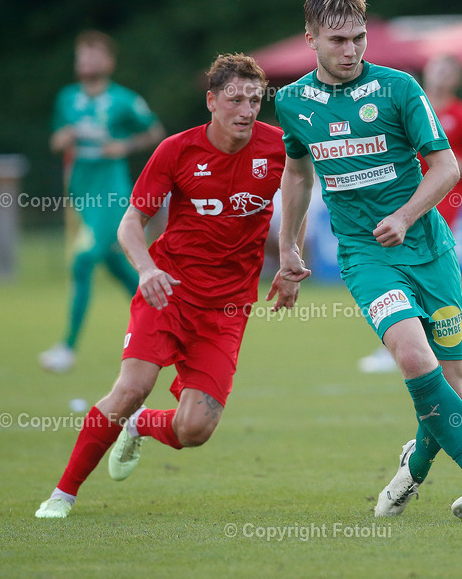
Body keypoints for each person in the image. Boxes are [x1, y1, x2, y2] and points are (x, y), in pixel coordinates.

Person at [274, 0, 462, 520]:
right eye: (338, 40)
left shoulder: (399, 88)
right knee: (411, 355)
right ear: (311, 39)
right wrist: (288, 248)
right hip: (366, 255)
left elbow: (447, 167)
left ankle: (414, 467)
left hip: (429, 248)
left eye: (359, 38)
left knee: (451, 385)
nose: (351, 50)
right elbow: (297, 174)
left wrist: (405, 216)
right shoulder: (291, 102)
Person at [35, 54, 295, 518]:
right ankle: (63, 494)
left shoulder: (279, 147)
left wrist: (291, 255)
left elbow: (302, 189)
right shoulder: (177, 150)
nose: (247, 110)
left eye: (255, 100)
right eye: (235, 99)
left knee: (195, 430)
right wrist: (146, 269)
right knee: (132, 387)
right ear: (211, 101)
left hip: (228, 308)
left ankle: (140, 425)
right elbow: (130, 222)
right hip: (168, 290)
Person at [359, 55, 462, 373]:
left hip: (446, 195)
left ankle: (400, 345)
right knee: (417, 262)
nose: (441, 75)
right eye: (438, 68)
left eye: (448, 71)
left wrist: (451, 167)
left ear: (457, 78)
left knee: (416, 258)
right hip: (405, 193)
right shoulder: (408, 104)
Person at [41, 31, 164, 373]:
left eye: (93, 55)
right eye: (81, 55)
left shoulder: (124, 100)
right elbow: (55, 141)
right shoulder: (67, 98)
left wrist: (124, 146)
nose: (86, 61)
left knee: (83, 259)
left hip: (111, 193)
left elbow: (155, 131)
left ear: (108, 62)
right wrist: (63, 137)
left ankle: (67, 348)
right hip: (82, 190)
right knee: (116, 266)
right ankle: (166, 318)